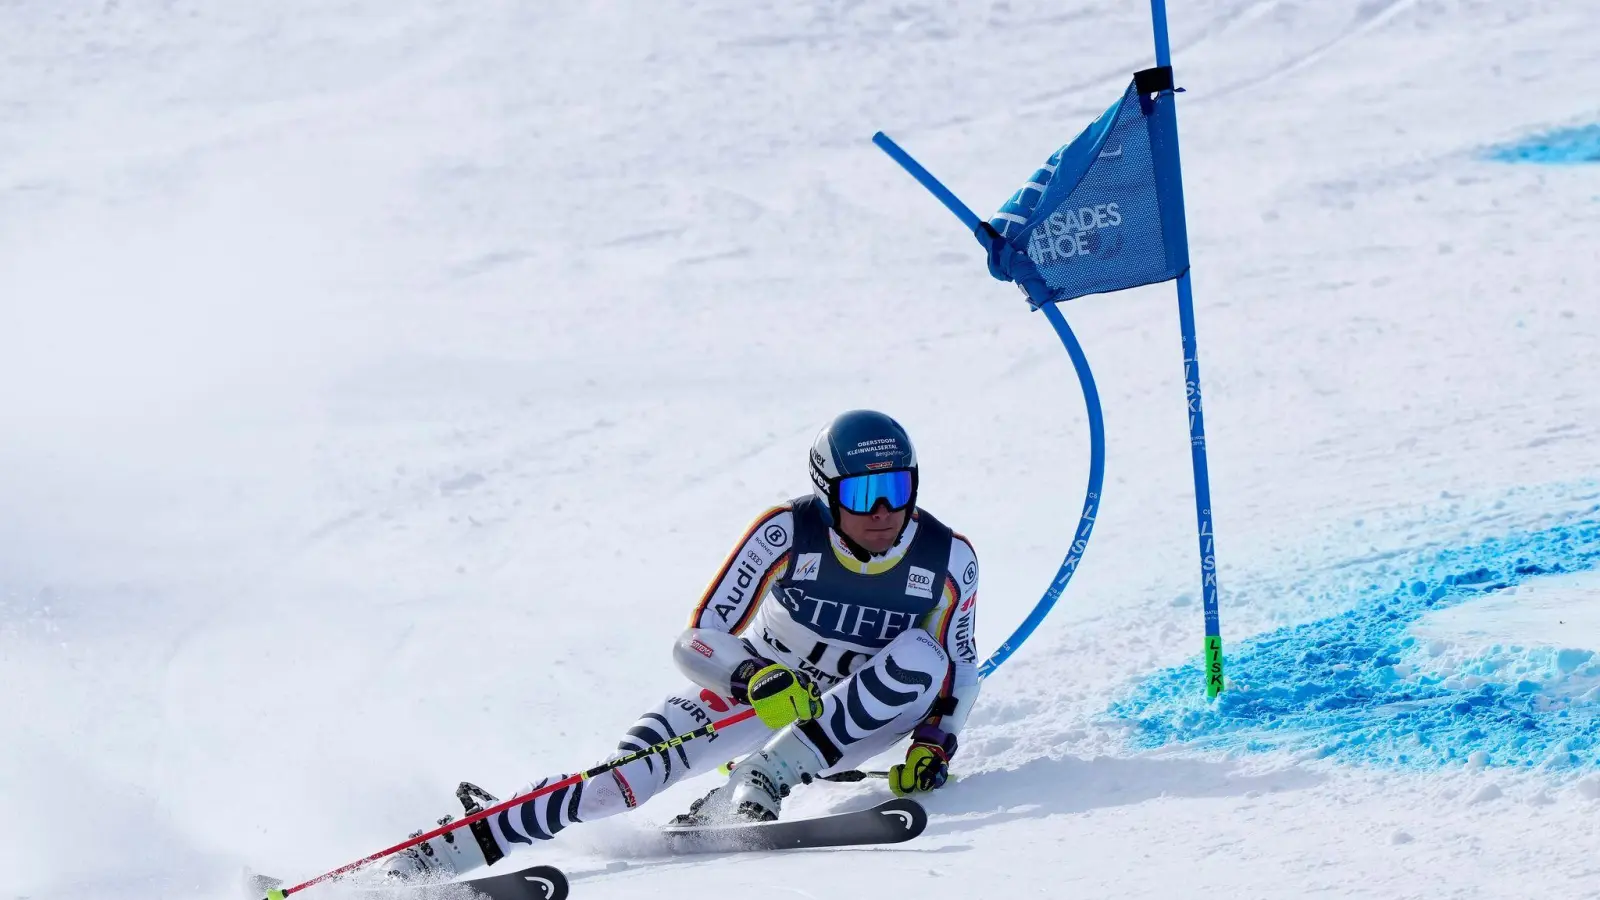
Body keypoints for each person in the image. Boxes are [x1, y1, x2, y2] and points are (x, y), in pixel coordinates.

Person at [388, 409, 979, 877]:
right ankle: (458, 844)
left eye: (896, 489)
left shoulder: (947, 558)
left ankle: (764, 779)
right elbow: (696, 640)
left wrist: (935, 742)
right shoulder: (786, 532)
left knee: (919, 658)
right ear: (827, 493)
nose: (882, 512)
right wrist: (752, 678)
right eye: (860, 495)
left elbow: (958, 665)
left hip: (857, 717)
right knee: (619, 783)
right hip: (768, 689)